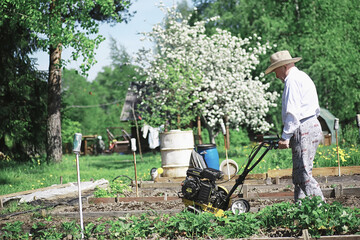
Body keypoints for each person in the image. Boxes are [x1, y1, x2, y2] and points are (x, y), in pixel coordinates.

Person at [265, 50, 325, 202]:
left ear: (284, 66)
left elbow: (293, 112)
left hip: (303, 128)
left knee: (303, 174)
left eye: (276, 70)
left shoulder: (292, 81)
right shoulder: (302, 76)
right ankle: (301, 210)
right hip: (310, 125)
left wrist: (285, 137)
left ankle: (322, 209)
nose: (276, 75)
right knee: (299, 173)